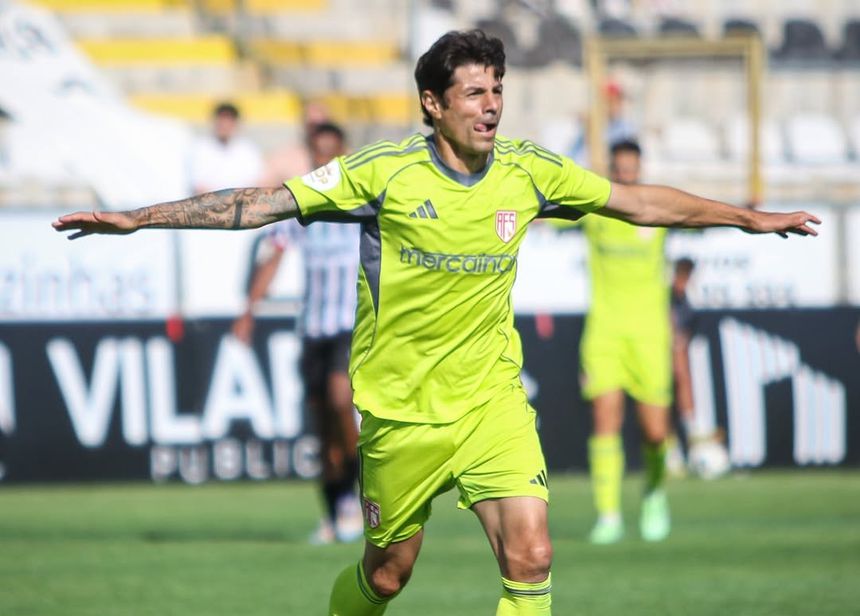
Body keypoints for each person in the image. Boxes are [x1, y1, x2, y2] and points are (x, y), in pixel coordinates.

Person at [54, 29, 819, 616]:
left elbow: (642, 203)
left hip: (492, 401)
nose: (490, 106)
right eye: (474, 93)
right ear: (433, 104)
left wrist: (749, 218)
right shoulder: (379, 175)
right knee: (389, 574)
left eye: (498, 91)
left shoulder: (529, 170)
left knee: (532, 555)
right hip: (401, 413)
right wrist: (138, 219)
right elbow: (256, 205)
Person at [232, 122, 363, 544]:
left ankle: (366, 496)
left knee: (342, 400)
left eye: (332, 151)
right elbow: (274, 255)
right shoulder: (302, 202)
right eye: (318, 151)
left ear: (343, 152)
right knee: (322, 426)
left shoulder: (361, 200)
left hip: (351, 325)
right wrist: (249, 309)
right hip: (313, 328)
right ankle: (334, 512)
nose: (325, 158)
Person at [579, 140, 674, 545]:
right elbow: (545, 210)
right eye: (619, 171)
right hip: (604, 332)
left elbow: (699, 214)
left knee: (655, 432)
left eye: (632, 170)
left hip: (650, 334)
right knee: (605, 420)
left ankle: (654, 494)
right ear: (612, 171)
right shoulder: (596, 209)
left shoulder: (655, 209)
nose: (626, 177)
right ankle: (609, 514)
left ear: (641, 169)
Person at [669, 256, 731, 479]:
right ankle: (676, 451)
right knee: (669, 396)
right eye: (683, 275)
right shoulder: (666, 299)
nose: (685, 280)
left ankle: (692, 438)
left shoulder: (686, 302)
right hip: (659, 358)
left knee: (682, 382)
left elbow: (687, 333)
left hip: (677, 358)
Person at [187, 101, 264, 195]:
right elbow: (198, 186)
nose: (225, 125)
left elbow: (256, 183)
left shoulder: (248, 149)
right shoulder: (199, 147)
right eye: (222, 119)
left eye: (229, 120)